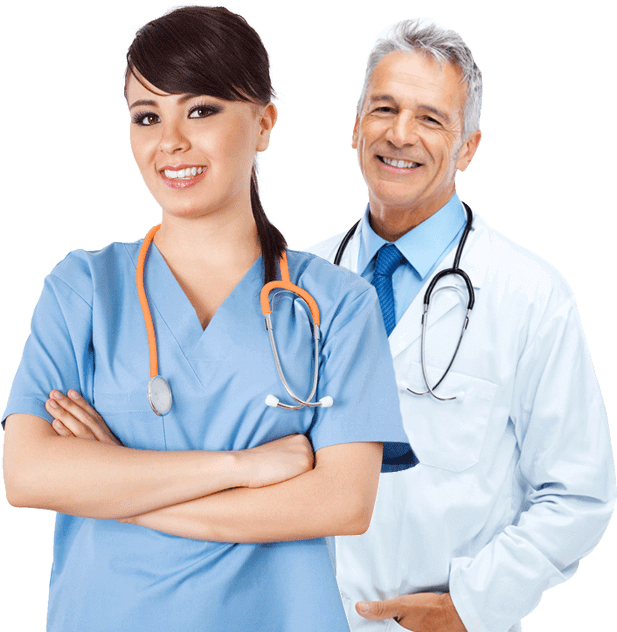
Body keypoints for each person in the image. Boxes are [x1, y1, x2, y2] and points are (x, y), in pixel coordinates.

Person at [1, 5, 416, 631]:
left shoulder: (336, 304)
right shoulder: (83, 289)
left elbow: (340, 501)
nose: (170, 142)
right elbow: (28, 473)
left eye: (201, 110)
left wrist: (115, 483)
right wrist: (242, 469)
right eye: (147, 117)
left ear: (264, 121)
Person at [307, 16, 615, 632]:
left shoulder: (530, 294)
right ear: (355, 127)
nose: (400, 135)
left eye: (430, 118)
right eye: (384, 108)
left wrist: (473, 606)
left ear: (468, 147)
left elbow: (579, 493)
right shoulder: (296, 285)